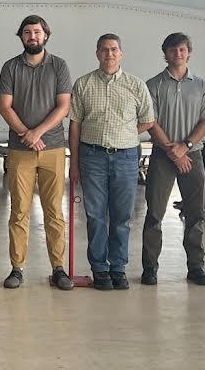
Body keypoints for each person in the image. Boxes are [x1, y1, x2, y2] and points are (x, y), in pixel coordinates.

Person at [69, 33, 155, 291]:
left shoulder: (136, 85)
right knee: (95, 216)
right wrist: (74, 162)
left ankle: (118, 267)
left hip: (126, 157)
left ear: (121, 53)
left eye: (114, 49)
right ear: (97, 53)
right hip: (92, 156)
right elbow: (75, 125)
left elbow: (148, 120)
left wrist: (125, 133)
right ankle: (100, 269)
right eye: (104, 50)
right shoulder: (83, 84)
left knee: (121, 216)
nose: (109, 54)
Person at [0, 15, 73, 290]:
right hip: (20, 151)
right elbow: (5, 107)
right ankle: (16, 269)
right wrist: (26, 135)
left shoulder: (59, 66)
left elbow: (63, 106)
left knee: (54, 211)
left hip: (52, 148)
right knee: (19, 211)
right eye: (27, 32)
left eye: (37, 32)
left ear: (46, 36)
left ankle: (59, 268)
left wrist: (37, 133)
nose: (32, 36)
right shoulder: (10, 67)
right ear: (21, 37)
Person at [141, 33, 205, 287]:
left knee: (195, 214)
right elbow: (151, 122)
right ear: (165, 53)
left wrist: (185, 147)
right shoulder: (153, 85)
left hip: (192, 154)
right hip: (163, 155)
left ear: (189, 53)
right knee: (154, 213)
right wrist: (173, 151)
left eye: (183, 50)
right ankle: (150, 268)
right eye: (173, 50)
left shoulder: (201, 86)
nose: (178, 54)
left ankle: (196, 268)